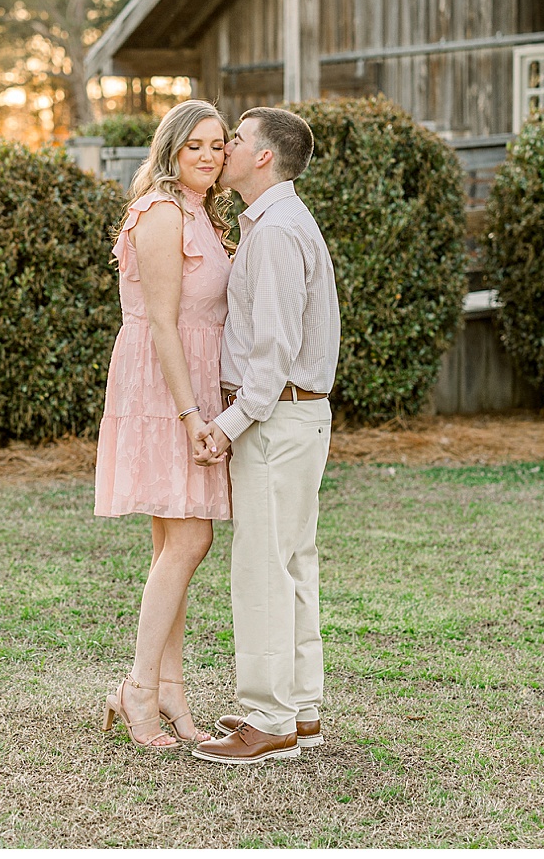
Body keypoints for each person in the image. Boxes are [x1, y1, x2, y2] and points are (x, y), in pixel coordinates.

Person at [190, 106, 340, 766]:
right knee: (291, 561)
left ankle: (269, 717)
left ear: (264, 158)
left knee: (263, 567)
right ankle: (299, 704)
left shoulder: (276, 231)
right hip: (293, 415)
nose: (223, 148)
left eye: (237, 140)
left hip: (276, 416)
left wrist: (227, 425)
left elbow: (272, 352)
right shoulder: (275, 223)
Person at [94, 98, 235, 750]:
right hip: (164, 387)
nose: (208, 155)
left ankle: (170, 688)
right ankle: (139, 688)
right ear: (171, 149)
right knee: (189, 541)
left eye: (218, 144)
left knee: (173, 546)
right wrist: (189, 414)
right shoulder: (159, 211)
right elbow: (160, 322)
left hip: (191, 383)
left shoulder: (200, 211)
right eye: (196, 145)